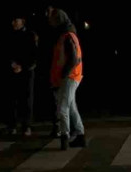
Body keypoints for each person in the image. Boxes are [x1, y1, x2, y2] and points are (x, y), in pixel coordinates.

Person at [48, 8, 85, 150]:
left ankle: (65, 137)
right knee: (71, 107)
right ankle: (80, 136)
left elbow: (73, 59)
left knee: (63, 108)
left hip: (70, 77)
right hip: (71, 76)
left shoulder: (66, 36)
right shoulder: (68, 34)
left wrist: (63, 74)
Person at [6, 12, 38, 136]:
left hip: (27, 71)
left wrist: (23, 67)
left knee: (26, 99)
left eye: (16, 20)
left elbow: (34, 56)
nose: (13, 23)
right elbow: (6, 52)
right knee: (12, 99)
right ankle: (12, 125)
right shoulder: (10, 35)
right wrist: (12, 64)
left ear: (22, 21)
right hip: (13, 70)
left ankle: (27, 126)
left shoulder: (30, 35)